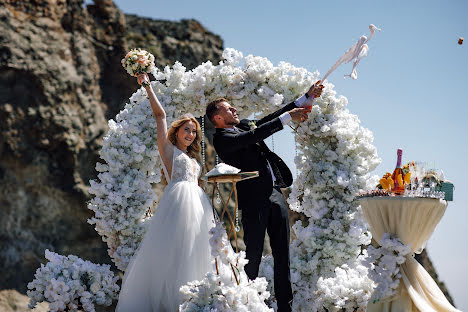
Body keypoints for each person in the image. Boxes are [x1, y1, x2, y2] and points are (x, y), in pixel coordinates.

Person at [206, 81, 324, 312]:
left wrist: (307, 97)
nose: (235, 110)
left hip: (275, 195)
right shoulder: (222, 138)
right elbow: (258, 134)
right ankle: (247, 305)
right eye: (229, 109)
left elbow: (273, 116)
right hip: (253, 200)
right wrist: (288, 118)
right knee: (253, 254)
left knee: (283, 254)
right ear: (217, 118)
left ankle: (285, 307)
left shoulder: (243, 126)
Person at [116, 72, 215, 312]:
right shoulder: (169, 151)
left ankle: (192, 300)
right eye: (186, 130)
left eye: (193, 132)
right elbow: (160, 116)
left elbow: (198, 183)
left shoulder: (193, 158)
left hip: (198, 204)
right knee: (173, 251)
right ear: (178, 131)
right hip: (177, 205)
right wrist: (147, 86)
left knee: (196, 250)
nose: (190, 135)